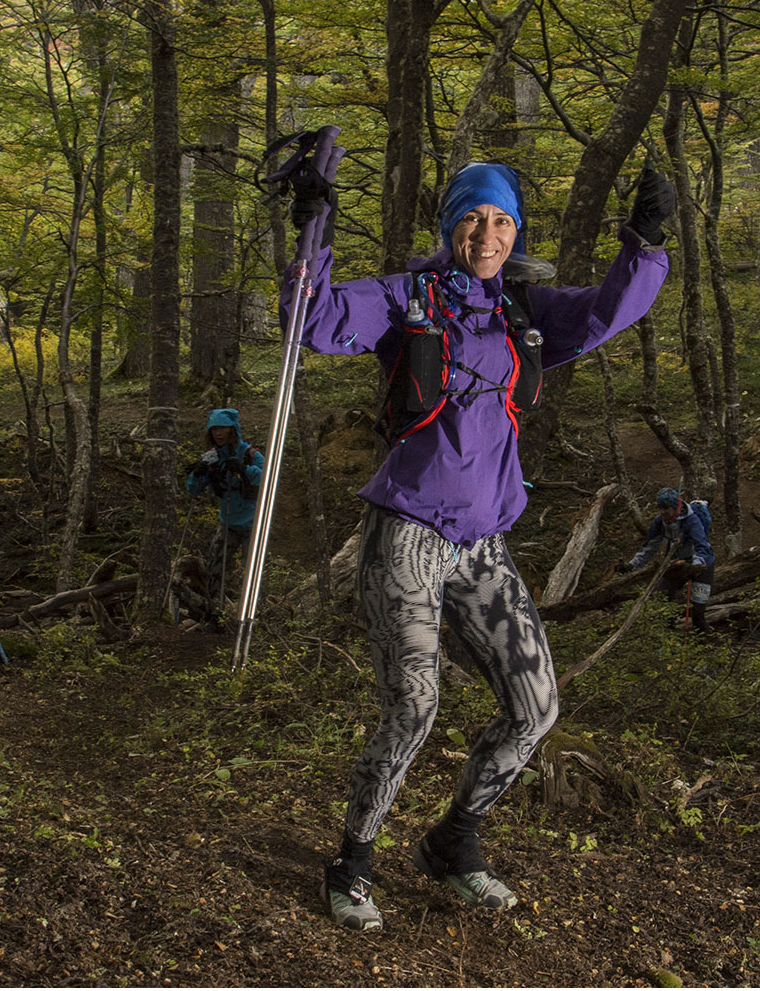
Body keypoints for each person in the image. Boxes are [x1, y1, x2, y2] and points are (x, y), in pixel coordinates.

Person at [281, 157, 675, 931]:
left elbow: (606, 312)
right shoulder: (408, 297)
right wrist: (312, 227)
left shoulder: (523, 312)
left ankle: (452, 842)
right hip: (407, 536)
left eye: (501, 222)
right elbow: (315, 321)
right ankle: (351, 864)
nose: (487, 235)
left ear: (515, 230)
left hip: (483, 544)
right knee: (414, 707)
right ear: (449, 226)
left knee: (536, 707)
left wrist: (646, 241)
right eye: (473, 219)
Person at [186, 408, 264, 632]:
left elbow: (267, 478)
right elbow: (194, 490)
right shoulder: (211, 457)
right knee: (216, 567)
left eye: (223, 428)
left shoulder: (249, 453)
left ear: (233, 429)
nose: (219, 433)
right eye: (215, 429)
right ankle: (216, 615)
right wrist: (198, 473)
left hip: (253, 523)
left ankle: (255, 614)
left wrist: (244, 469)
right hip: (228, 522)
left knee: (253, 570)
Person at [617, 487, 714, 631]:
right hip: (676, 564)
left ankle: (705, 639)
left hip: (703, 565)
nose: (663, 512)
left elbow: (703, 546)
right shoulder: (659, 522)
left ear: (675, 507)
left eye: (666, 508)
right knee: (662, 598)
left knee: (697, 611)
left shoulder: (691, 520)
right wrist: (632, 565)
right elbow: (649, 547)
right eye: (660, 508)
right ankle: (669, 637)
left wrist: (695, 565)